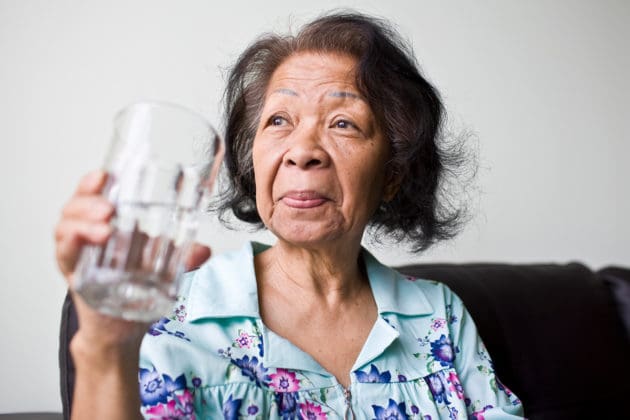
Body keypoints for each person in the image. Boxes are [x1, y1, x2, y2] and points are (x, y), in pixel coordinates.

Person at [55, 11, 524, 419]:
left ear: (392, 175)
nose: (302, 151)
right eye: (279, 120)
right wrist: (105, 349)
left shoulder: (440, 315)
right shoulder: (163, 309)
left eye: (343, 123)